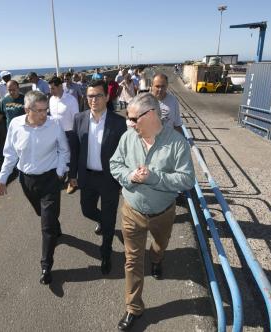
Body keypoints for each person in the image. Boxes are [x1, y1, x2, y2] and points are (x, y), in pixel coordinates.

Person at [109, 92, 195, 331]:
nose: (130, 123)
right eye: (128, 118)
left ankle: (157, 259)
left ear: (152, 115)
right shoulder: (128, 138)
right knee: (132, 260)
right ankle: (133, 308)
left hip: (163, 214)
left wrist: (154, 177)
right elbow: (115, 165)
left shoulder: (177, 143)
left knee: (160, 245)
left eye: (134, 118)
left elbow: (187, 180)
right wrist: (129, 176)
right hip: (132, 212)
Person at [0, 90, 70, 285]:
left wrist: (60, 172)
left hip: (50, 179)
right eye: (40, 111)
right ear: (27, 109)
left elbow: (64, 149)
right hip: (26, 181)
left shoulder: (54, 125)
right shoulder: (15, 125)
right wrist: (2, 179)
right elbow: (10, 155)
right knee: (43, 215)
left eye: (46, 110)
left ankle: (46, 265)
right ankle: (55, 224)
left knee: (46, 226)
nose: (45, 114)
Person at [69, 80, 126, 275]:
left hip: (109, 178)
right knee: (87, 210)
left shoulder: (118, 123)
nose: (93, 100)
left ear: (107, 97)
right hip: (87, 177)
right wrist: (72, 175)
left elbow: (125, 152)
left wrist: (124, 179)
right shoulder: (79, 119)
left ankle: (106, 253)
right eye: (90, 96)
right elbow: (74, 149)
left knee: (109, 217)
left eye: (98, 95)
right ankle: (106, 222)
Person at [48, 76, 79, 194]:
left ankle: (72, 182)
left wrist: (75, 136)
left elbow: (76, 119)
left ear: (60, 86)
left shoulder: (71, 100)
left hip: (69, 132)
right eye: (50, 89)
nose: (51, 91)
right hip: (55, 133)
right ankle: (62, 176)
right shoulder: (51, 99)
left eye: (53, 88)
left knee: (71, 158)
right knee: (58, 156)